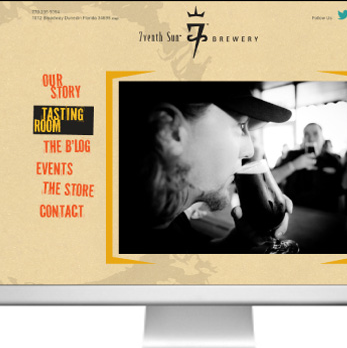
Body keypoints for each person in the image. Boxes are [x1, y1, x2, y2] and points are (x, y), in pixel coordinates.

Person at [118, 82, 293, 254]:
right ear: (170, 132)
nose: (249, 151)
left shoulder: (167, 217)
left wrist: (242, 239)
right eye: (240, 126)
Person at [272, 123, 343, 212]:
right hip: (295, 211)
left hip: (325, 213)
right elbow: (271, 179)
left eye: (315, 134)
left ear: (323, 138)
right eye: (306, 134)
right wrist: (293, 165)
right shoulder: (292, 156)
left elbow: (341, 192)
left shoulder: (333, 160)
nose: (311, 138)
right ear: (303, 139)